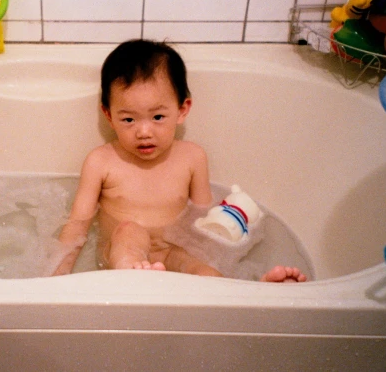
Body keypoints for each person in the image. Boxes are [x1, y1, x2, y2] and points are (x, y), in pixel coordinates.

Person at [51, 39, 306, 283]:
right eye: (129, 120)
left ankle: (249, 294)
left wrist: (230, 229)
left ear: (182, 110)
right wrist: (56, 276)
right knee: (129, 230)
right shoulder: (101, 162)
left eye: (158, 117)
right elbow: (77, 225)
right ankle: (136, 279)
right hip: (119, 250)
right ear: (108, 115)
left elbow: (203, 217)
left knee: (202, 271)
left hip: (171, 249)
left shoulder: (192, 158)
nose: (144, 132)